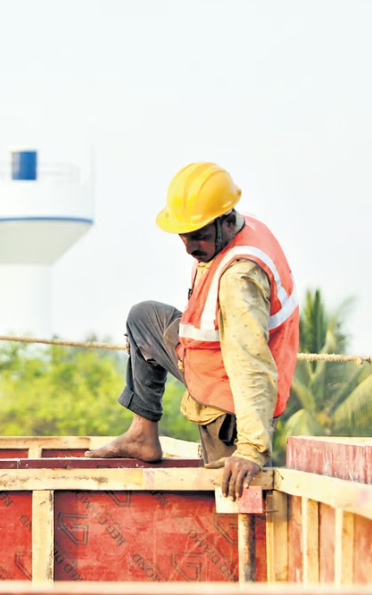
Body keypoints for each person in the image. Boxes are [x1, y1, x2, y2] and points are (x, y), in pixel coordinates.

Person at [85, 162, 300, 501]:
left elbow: (251, 366)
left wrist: (251, 449)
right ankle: (142, 435)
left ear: (227, 222)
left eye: (198, 236)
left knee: (228, 501)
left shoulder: (239, 280)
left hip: (229, 404)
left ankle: (237, 453)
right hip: (205, 361)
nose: (189, 246)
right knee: (144, 319)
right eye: (184, 236)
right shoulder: (236, 231)